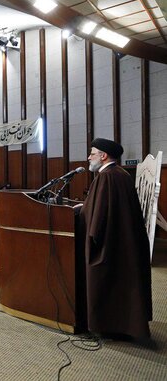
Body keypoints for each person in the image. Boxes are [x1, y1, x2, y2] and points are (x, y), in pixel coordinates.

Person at [79, 138, 152, 342]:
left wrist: (89, 233)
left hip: (109, 244)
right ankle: (123, 326)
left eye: (92, 153)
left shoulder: (106, 177)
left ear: (103, 156)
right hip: (123, 242)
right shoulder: (121, 174)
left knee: (103, 281)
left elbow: (98, 216)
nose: (88, 157)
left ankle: (106, 326)